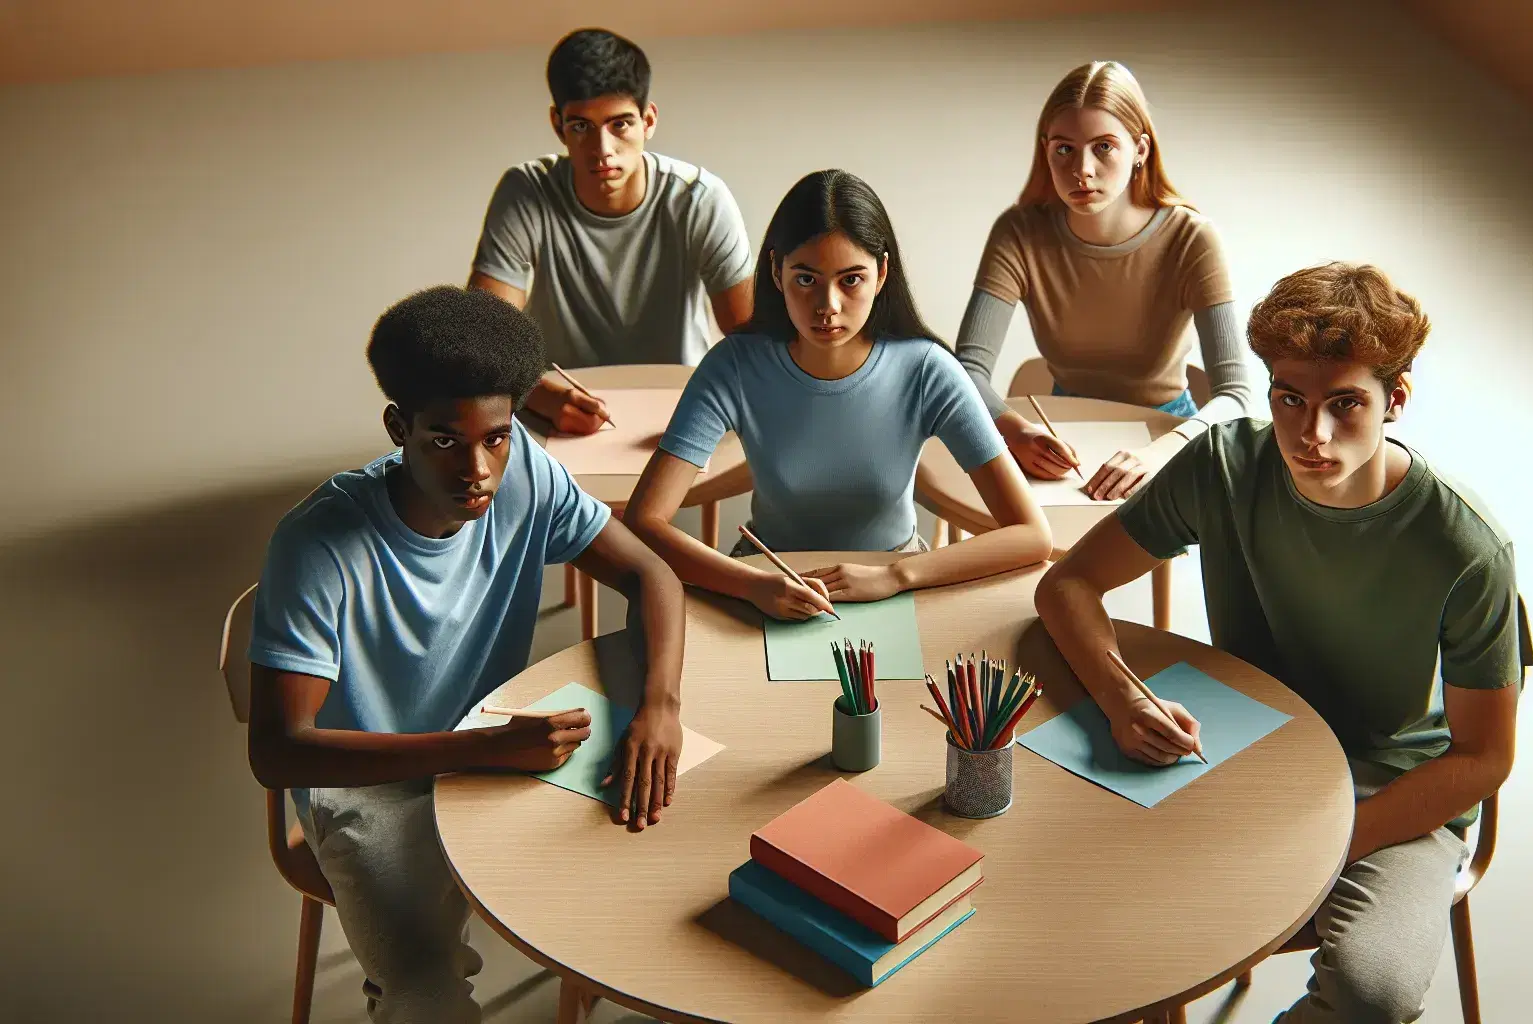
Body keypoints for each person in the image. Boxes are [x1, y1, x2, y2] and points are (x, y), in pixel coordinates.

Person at [1034, 263, 1521, 1023]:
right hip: (1238, 751)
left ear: (1397, 399)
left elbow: (1485, 756)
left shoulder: (1465, 545)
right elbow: (1067, 585)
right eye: (1289, 400)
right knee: (1085, 922)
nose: (1311, 435)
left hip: (1388, 790)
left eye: (1344, 404)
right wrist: (1124, 698)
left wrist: (1332, 842)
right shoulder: (1225, 464)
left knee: (1374, 991)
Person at [246, 286, 687, 1023]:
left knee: (664, 883)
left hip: (497, 754)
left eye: (498, 436)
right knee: (426, 999)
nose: (479, 469)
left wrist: (661, 708)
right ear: (399, 427)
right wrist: (477, 751)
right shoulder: (316, 545)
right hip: (369, 788)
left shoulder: (528, 476)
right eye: (445, 440)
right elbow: (279, 753)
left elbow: (653, 575)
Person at [623, 170, 1053, 619]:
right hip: (766, 582)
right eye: (806, 280)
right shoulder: (733, 365)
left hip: (896, 588)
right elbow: (645, 520)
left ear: (882, 273)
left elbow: (1030, 534)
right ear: (776, 270)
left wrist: (896, 575)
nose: (827, 305)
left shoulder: (927, 369)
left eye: (851, 280)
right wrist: (752, 584)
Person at [953, 60, 1255, 502]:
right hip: (1061, 430)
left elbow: (1237, 394)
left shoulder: (1193, 239)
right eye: (1064, 149)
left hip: (1167, 432)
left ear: (1140, 150)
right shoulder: (1019, 232)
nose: (1083, 169)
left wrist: (1156, 455)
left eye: (1104, 147)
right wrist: (1014, 429)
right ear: (1045, 150)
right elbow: (967, 370)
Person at [469, 27, 756, 436]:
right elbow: (484, 335)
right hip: (557, 400)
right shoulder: (526, 192)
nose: (602, 150)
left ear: (648, 120)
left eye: (620, 124)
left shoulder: (700, 199)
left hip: (682, 399)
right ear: (558, 125)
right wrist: (543, 396)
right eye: (582, 127)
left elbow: (751, 339)